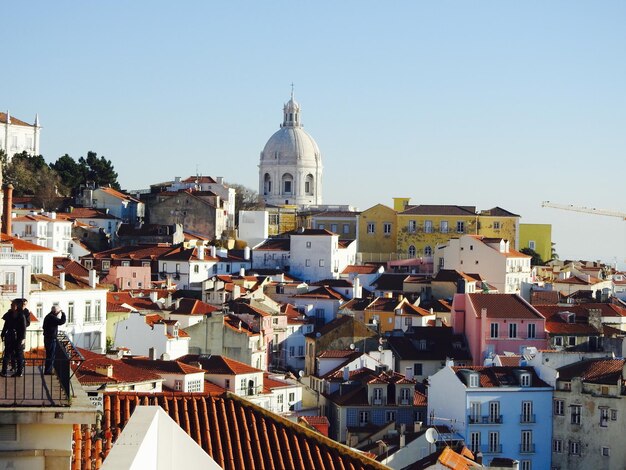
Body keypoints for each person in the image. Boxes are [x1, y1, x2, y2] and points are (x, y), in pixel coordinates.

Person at [1, 301, 26, 377]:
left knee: (18, 354)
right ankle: (4, 371)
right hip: (10, 336)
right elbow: (6, 325)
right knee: (7, 354)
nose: (11, 306)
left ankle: (19, 371)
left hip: (18, 337)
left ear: (17, 306)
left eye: (13, 305)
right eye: (11, 305)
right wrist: (2, 334)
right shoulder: (9, 314)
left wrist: (23, 338)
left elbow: (23, 328)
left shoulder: (21, 315)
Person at [43, 306, 66, 375]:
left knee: (49, 354)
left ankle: (48, 369)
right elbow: (62, 321)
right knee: (51, 354)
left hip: (47, 338)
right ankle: (48, 370)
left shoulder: (48, 316)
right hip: (51, 338)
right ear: (56, 312)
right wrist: (63, 313)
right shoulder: (52, 317)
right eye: (58, 312)